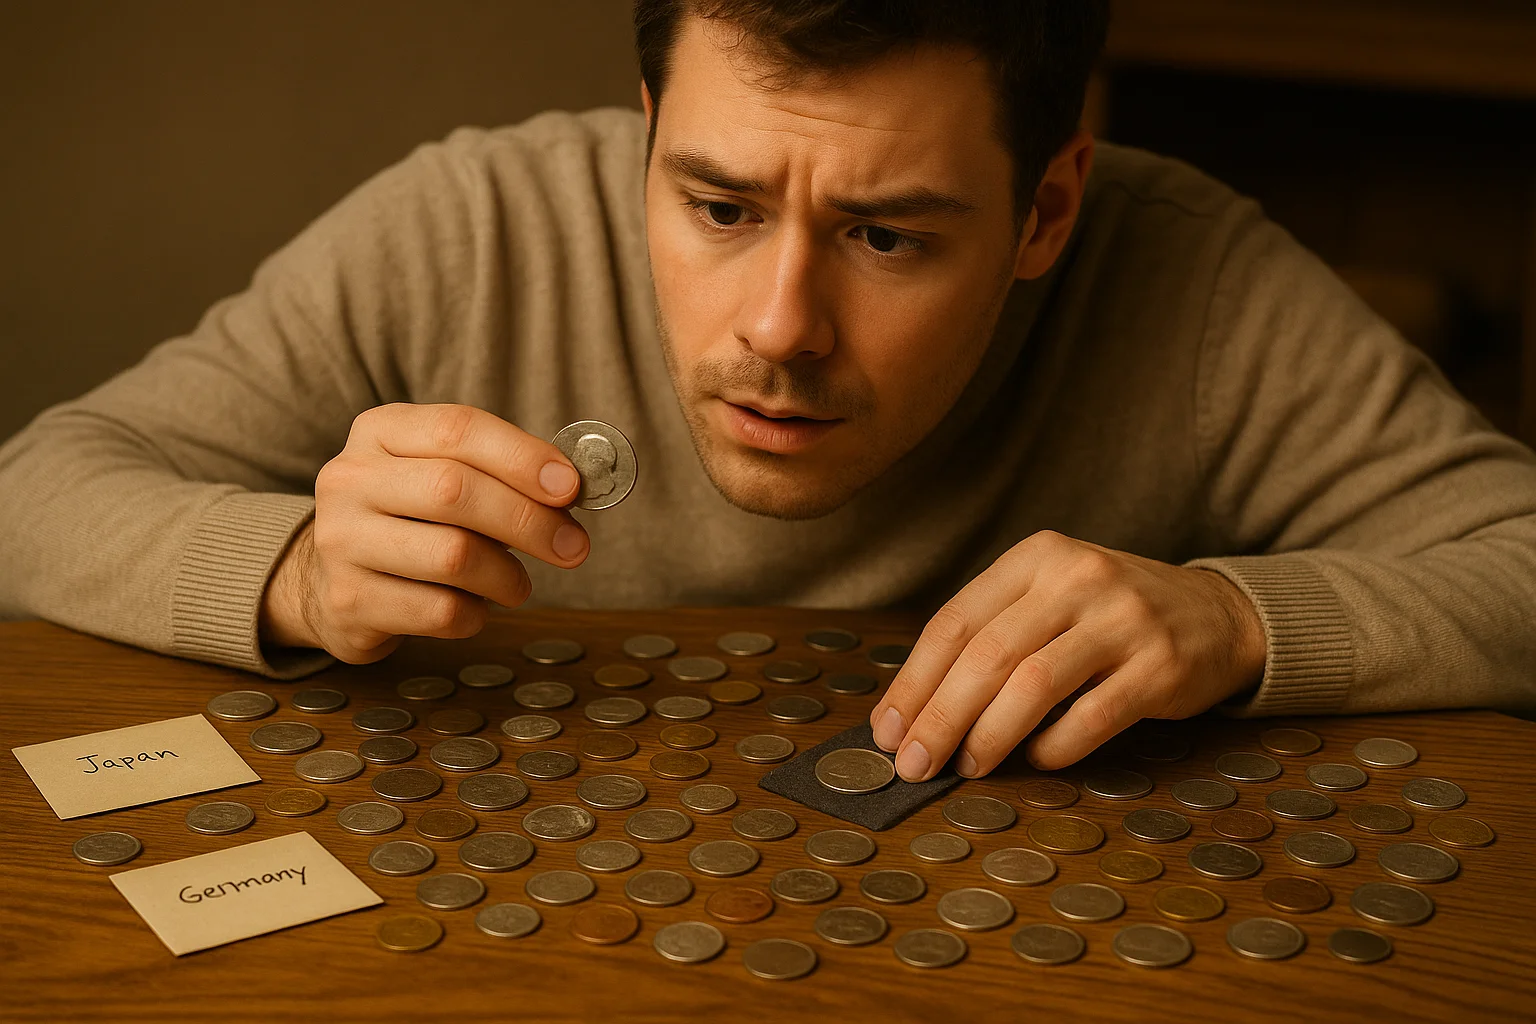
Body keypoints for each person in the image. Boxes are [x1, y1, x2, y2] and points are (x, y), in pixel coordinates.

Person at [2, 1, 1533, 786]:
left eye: (889, 235)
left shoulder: (1193, 277)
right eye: (717, 206)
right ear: (648, 129)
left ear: (1048, 210)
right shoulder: (467, 223)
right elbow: (34, 492)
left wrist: (1238, 618)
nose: (781, 328)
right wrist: (294, 572)